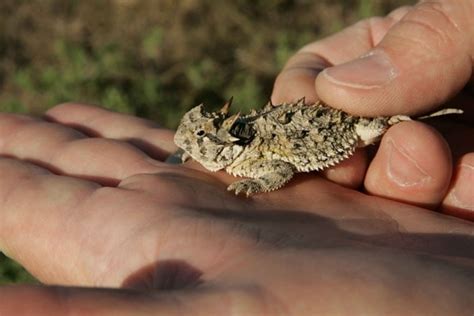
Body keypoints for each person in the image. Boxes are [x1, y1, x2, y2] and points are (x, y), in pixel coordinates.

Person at [0, 1, 472, 314]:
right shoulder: (225, 147)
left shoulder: (252, 157)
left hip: (343, 128)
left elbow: (282, 168)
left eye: (201, 142)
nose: (193, 145)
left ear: (228, 148)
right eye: (193, 140)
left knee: (391, 126)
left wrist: (256, 185)